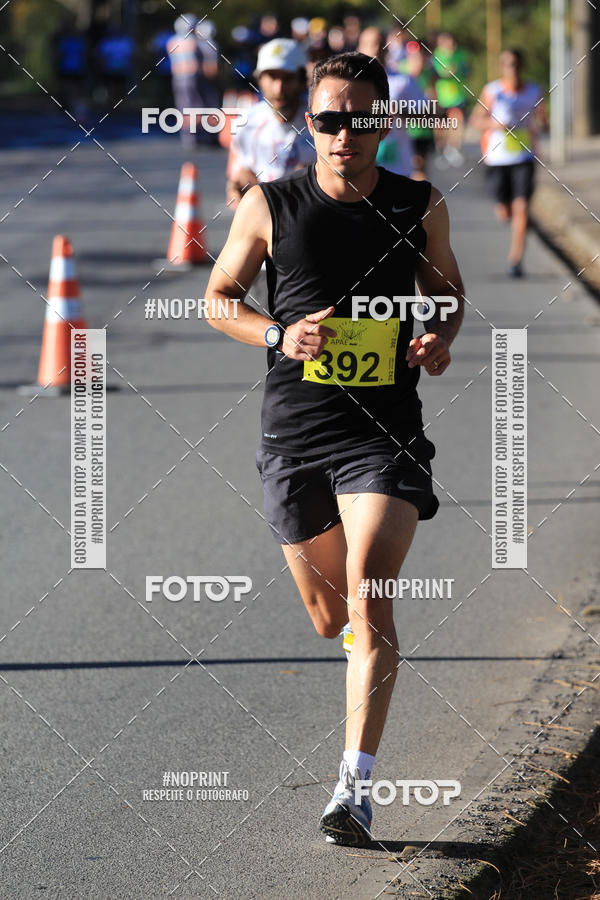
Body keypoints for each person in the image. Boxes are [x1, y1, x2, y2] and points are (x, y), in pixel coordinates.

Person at [204, 51, 464, 845]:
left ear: (384, 123)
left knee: (369, 585)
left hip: (383, 434)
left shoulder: (419, 203)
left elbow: (447, 293)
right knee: (331, 617)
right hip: (296, 438)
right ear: (308, 124)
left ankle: (354, 788)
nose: (341, 133)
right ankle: (361, 649)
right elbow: (218, 300)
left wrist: (438, 336)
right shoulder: (268, 205)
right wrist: (280, 332)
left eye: (357, 119)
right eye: (327, 119)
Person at [470, 49, 547, 277]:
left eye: (515, 64)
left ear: (521, 66)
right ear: (502, 67)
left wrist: (540, 123)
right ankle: (520, 223)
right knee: (505, 212)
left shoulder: (534, 91)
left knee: (521, 207)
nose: (512, 69)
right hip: (496, 158)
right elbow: (475, 120)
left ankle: (515, 260)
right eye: (507, 65)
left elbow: (543, 122)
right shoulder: (492, 91)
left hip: (524, 157)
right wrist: (495, 125)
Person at [226, 39, 313, 206]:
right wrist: (239, 186)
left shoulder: (323, 123)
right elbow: (241, 174)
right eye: (272, 77)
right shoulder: (245, 124)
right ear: (259, 79)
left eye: (287, 79)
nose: (279, 89)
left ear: (302, 81)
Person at [358, 27, 426, 179]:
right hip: (361, 168)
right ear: (359, 48)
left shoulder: (403, 80)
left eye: (379, 43)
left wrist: (398, 111)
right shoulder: (349, 83)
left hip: (396, 166)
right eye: (369, 44)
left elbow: (427, 114)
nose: (375, 49)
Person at [432, 32, 469, 167]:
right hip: (441, 97)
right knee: (441, 126)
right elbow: (444, 73)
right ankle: (441, 150)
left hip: (457, 96)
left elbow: (465, 70)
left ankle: (453, 149)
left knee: (457, 122)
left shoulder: (460, 55)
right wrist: (453, 67)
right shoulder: (437, 56)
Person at [166, 13, 203, 147]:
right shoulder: (191, 42)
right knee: (195, 106)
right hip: (190, 77)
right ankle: (192, 135)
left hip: (177, 78)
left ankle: (186, 135)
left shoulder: (172, 41)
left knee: (182, 106)